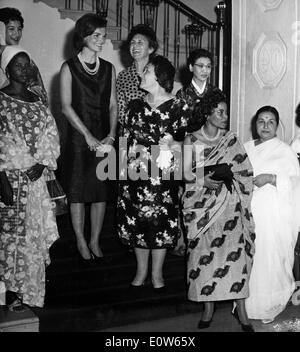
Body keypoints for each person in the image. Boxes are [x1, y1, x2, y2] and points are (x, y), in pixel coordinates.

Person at [182, 89, 255, 332]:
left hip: (230, 209)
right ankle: (208, 309)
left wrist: (227, 178)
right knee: (204, 259)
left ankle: (242, 312)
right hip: (202, 210)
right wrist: (202, 181)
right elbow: (184, 173)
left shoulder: (231, 139)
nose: (225, 116)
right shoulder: (191, 140)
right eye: (220, 112)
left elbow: (245, 171)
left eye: (225, 112)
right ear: (207, 113)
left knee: (236, 260)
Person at [117, 55, 189, 289]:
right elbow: (124, 138)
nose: (141, 74)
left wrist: (174, 146)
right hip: (135, 173)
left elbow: (186, 145)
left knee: (161, 222)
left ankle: (157, 274)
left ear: (160, 77)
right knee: (136, 220)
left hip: (164, 173)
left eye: (147, 71)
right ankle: (141, 271)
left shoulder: (179, 107)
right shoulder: (134, 105)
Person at [0, 46, 60, 309]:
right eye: (18, 65)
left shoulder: (37, 101)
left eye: (28, 65)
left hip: (35, 183)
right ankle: (9, 293)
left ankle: (28, 291)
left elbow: (51, 134)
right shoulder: (0, 101)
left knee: (32, 238)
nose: (24, 70)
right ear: (7, 69)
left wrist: (42, 162)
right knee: (9, 238)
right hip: (9, 180)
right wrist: (3, 178)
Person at [60, 14, 118, 263]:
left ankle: (94, 239)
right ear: (82, 36)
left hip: (105, 137)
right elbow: (65, 106)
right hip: (78, 138)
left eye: (103, 36)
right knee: (77, 191)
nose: (101, 40)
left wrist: (112, 135)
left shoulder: (109, 68)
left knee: (101, 191)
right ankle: (81, 240)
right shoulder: (68, 67)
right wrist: (87, 136)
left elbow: (114, 105)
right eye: (96, 36)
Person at [244, 106, 300, 324]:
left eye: (270, 122)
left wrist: (272, 178)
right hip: (248, 213)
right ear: (255, 124)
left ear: (277, 126)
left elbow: (296, 184)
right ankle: (247, 304)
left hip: (274, 217)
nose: (265, 126)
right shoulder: (246, 148)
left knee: (269, 257)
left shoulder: (285, 151)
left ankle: (271, 303)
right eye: (261, 121)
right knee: (252, 258)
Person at [174, 49, 218, 257]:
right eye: (200, 66)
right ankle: (183, 238)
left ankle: (206, 237)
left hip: (210, 147)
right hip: (189, 147)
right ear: (191, 67)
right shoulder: (182, 95)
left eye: (208, 66)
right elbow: (178, 128)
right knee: (187, 191)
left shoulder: (216, 93)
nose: (205, 70)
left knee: (208, 189)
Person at [116, 24, 158, 135]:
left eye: (140, 43)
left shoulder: (159, 74)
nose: (135, 46)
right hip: (127, 135)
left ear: (151, 48)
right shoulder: (123, 76)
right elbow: (119, 110)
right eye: (132, 43)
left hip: (154, 135)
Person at [0, 7, 47, 103]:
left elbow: (42, 96)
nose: (16, 34)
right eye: (11, 29)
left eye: (19, 29)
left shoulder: (24, 58)